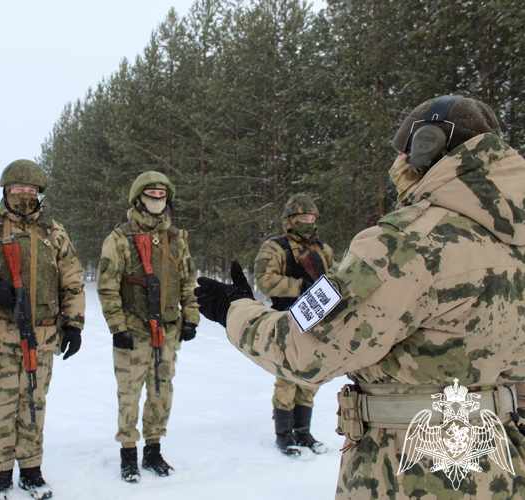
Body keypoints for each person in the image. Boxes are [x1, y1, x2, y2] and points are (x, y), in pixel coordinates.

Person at [195, 96, 525, 498]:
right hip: (502, 468)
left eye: (405, 150)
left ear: (428, 144)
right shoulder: (514, 239)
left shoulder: (410, 242)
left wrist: (231, 307)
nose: (400, 162)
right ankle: (289, 432)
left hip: (412, 474)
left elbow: (306, 351)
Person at [0, 159, 85, 500]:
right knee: (1, 408)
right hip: (0, 337)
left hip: (43, 336)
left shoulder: (54, 232)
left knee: (34, 406)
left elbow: (72, 280)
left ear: (39, 194)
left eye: (31, 190)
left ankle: (32, 472)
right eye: (17, 190)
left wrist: (74, 324)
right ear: (6, 192)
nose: (25, 196)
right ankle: (0, 476)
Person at [97, 171, 199, 483]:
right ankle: (128, 453)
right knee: (129, 394)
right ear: (139, 197)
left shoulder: (176, 239)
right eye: (151, 194)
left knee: (161, 392)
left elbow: (188, 282)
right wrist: (118, 328)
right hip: (135, 329)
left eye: (162, 195)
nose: (157, 200)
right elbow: (107, 287)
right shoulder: (120, 239)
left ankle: (153, 450)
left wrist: (191, 317)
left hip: (167, 331)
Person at [254, 193, 336, 456]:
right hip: (287, 319)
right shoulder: (275, 247)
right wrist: (301, 286)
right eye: (303, 218)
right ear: (290, 220)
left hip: (319, 321)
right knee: (288, 376)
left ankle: (303, 431)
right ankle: (283, 433)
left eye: (312, 218)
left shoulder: (323, 250)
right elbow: (264, 281)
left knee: (311, 377)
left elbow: (336, 277)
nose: (308, 223)